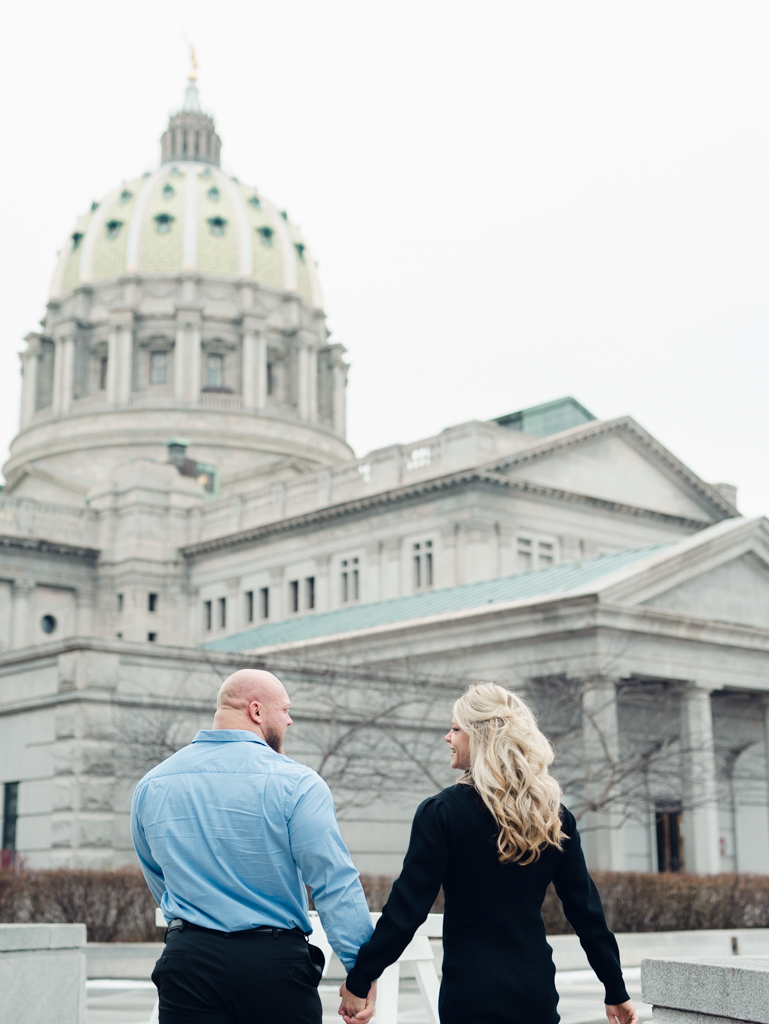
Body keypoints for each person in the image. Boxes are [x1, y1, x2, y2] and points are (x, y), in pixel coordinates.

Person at [339, 682, 638, 1024]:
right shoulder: (552, 816)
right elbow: (586, 911)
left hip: (470, 996)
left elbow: (407, 909)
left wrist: (360, 978)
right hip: (536, 993)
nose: (447, 738)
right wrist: (615, 988)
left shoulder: (441, 813)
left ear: (480, 736)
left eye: (455, 729)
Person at [131, 668, 377, 1024]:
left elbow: (157, 874)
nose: (290, 721)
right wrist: (359, 971)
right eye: (286, 710)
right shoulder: (297, 783)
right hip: (273, 966)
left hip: (188, 962)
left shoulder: (153, 784)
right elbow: (333, 882)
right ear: (257, 711)